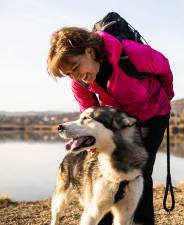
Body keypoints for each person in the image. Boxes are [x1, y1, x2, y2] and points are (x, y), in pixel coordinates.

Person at [47, 26, 174, 225]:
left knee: (139, 171)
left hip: (152, 114)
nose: (75, 76)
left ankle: (142, 221)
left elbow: (164, 67)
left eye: (75, 67)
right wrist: (92, 141)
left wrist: (166, 96)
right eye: (68, 74)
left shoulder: (131, 54)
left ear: (89, 51)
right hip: (117, 124)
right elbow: (91, 115)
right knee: (107, 171)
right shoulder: (79, 83)